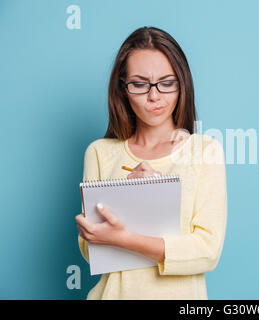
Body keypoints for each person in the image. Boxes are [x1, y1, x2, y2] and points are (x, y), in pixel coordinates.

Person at [75, 26, 228, 300]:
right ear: (122, 89)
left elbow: (207, 252)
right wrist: (125, 194)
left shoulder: (206, 151)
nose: (154, 96)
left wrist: (127, 238)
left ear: (182, 84)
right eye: (139, 84)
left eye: (166, 83)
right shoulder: (98, 152)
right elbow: (89, 252)